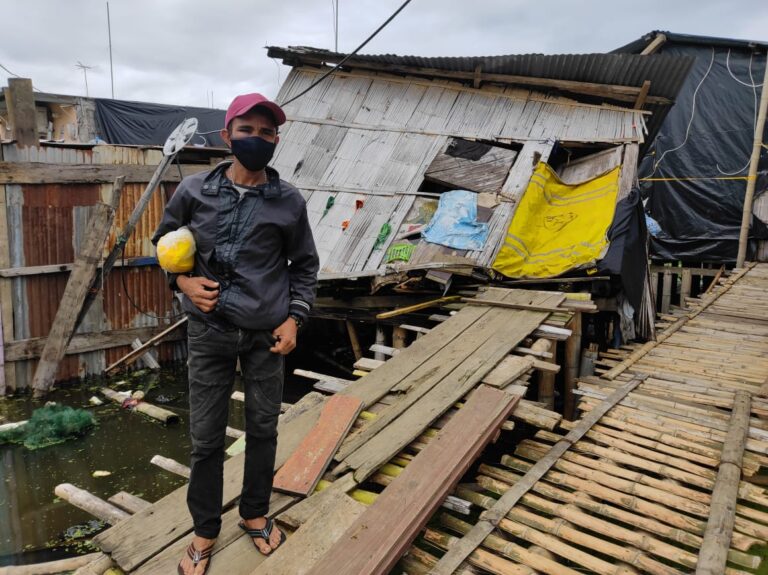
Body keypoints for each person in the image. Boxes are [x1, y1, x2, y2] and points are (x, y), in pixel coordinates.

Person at [152, 93, 319, 575]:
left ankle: (254, 513)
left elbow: (304, 267)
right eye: (247, 131)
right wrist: (182, 281)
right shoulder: (194, 191)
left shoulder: (288, 201)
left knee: (263, 430)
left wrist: (295, 318)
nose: (257, 140)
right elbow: (163, 244)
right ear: (227, 136)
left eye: (267, 134)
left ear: (275, 141)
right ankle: (205, 530)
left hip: (267, 334)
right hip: (208, 332)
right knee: (205, 439)